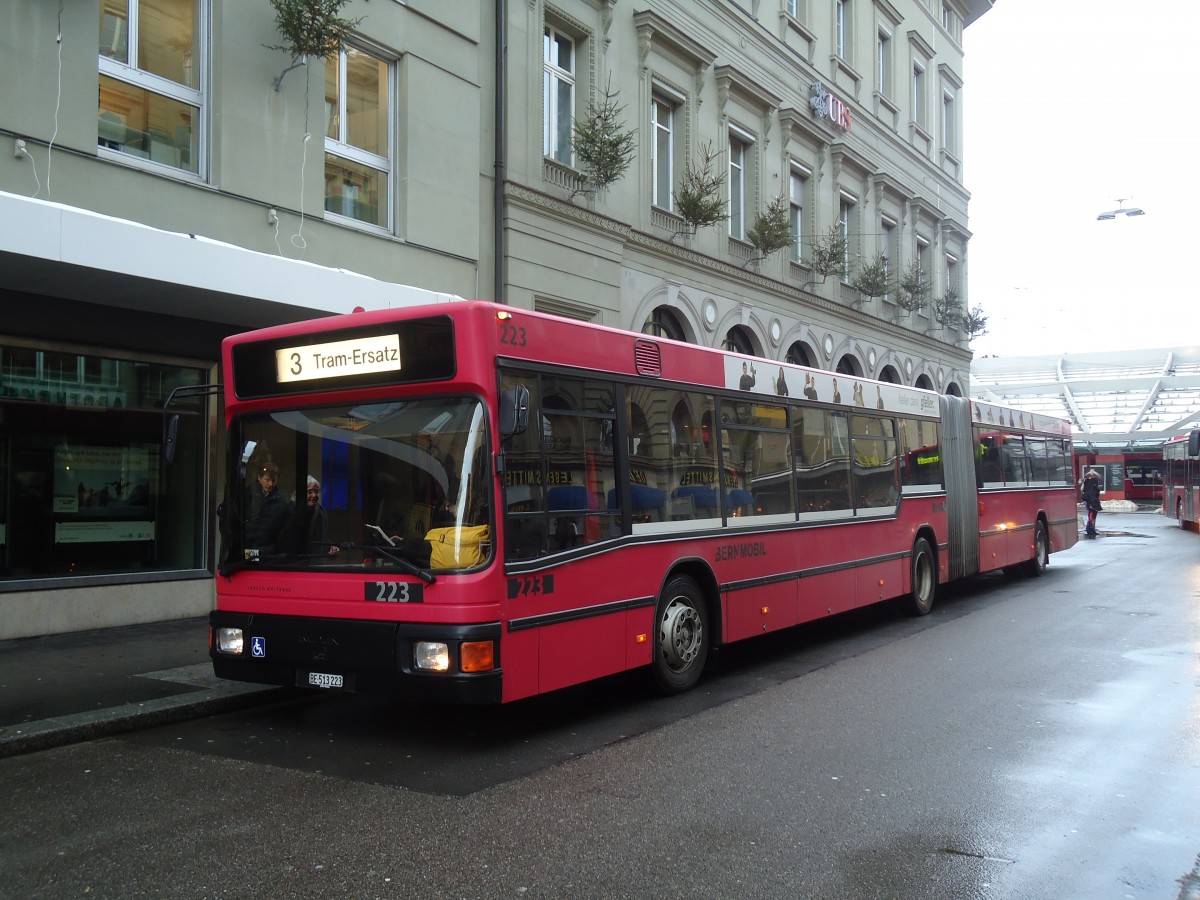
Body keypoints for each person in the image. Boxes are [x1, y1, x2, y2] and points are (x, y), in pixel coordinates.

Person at [246, 462, 290, 554]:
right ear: (259, 478)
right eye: (267, 479)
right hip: (248, 546)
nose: (270, 483)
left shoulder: (280, 502)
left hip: (267, 551)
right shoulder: (247, 495)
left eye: (273, 480)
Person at [297, 476, 339, 557]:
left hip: (315, 563)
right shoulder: (292, 511)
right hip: (296, 563)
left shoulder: (321, 513)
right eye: (309, 492)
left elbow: (321, 537)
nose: (314, 495)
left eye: (316, 491)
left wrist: (330, 548)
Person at [1082, 469, 1102, 538]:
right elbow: (1093, 493)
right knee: (1092, 514)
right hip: (1092, 501)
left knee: (1091, 514)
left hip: (1091, 501)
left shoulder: (1087, 483)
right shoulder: (1092, 484)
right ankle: (1091, 528)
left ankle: (1091, 528)